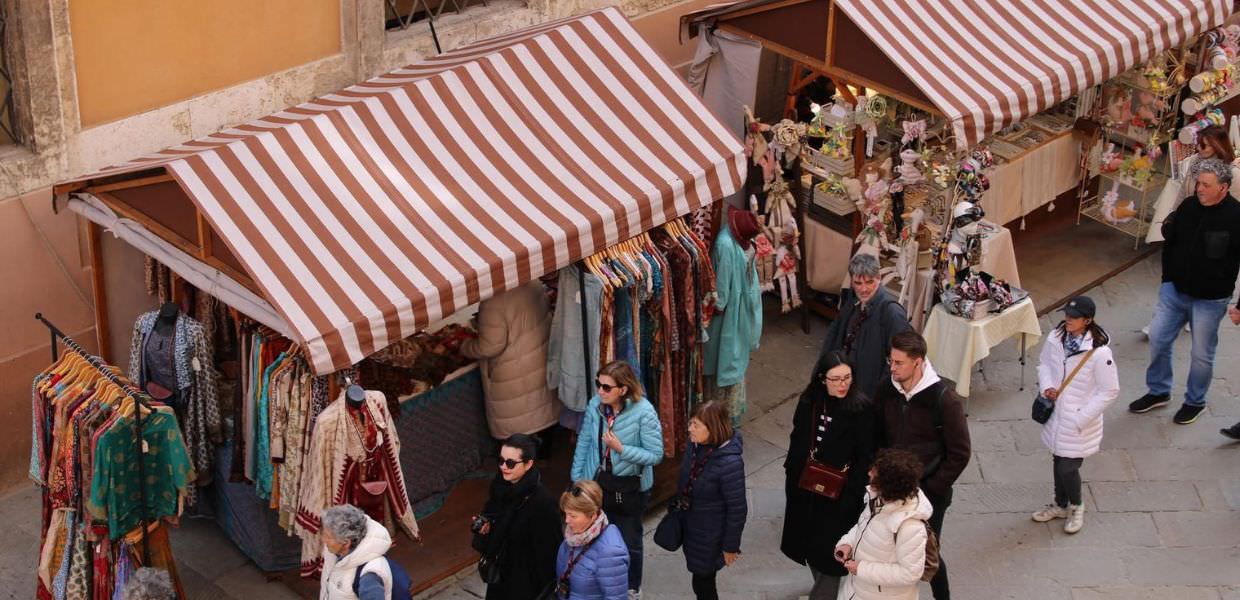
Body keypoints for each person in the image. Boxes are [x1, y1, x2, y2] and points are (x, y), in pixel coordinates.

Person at [1129, 158, 1240, 425]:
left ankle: (1195, 401)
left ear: (1223, 187)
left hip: (1210, 299)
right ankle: (1158, 391)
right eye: (1198, 183)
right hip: (1175, 291)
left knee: (1202, 355)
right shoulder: (1189, 206)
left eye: (1205, 184)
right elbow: (1172, 243)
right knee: (1158, 337)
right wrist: (1167, 280)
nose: (1199, 189)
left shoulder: (1237, 217)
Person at [876, 330, 970, 600]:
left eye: (898, 363)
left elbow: (960, 453)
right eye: (890, 361)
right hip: (890, 488)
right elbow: (877, 432)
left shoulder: (944, 400)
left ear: (917, 362)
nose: (892, 368)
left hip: (928, 495)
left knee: (927, 553)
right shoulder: (886, 388)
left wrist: (931, 488)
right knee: (890, 549)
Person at [781, 351, 877, 599]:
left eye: (847, 377)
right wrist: (793, 473)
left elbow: (866, 455)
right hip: (807, 490)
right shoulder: (809, 402)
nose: (842, 384)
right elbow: (798, 438)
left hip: (840, 496)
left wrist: (853, 493)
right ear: (823, 379)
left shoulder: (862, 409)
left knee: (831, 555)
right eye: (835, 379)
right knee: (811, 548)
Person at [571, 360, 663, 599]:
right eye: (598, 384)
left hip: (629, 488)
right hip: (598, 484)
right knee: (597, 535)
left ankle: (632, 586)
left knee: (629, 539)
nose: (600, 390)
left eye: (606, 387)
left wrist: (621, 448)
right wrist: (577, 479)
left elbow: (655, 455)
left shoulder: (644, 411)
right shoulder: (595, 406)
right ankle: (601, 582)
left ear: (623, 389)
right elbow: (585, 442)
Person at [1031, 296, 1120, 534]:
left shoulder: (1100, 354)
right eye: (1067, 315)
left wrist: (1081, 417)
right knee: (1058, 460)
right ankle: (1060, 504)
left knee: (1067, 468)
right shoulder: (1055, 338)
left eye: (1073, 317)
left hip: (1079, 421)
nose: (1067, 320)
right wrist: (1047, 387)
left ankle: (1077, 506)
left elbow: (1109, 391)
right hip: (1056, 414)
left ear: (1087, 320)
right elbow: (1045, 365)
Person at [461, 281, 560, 439]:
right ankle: (543, 453)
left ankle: (524, 459)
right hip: (540, 360)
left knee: (521, 427)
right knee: (542, 412)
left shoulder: (492, 304)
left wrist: (466, 346)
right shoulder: (533, 285)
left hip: (512, 373)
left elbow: (490, 346)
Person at [472, 434, 564, 599]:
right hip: (500, 574)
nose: (504, 467)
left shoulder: (543, 503)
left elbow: (549, 554)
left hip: (525, 583)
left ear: (528, 464)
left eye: (510, 463)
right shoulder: (500, 486)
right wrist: (486, 525)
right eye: (501, 460)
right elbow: (491, 511)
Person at [833, 448, 933, 600]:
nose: (869, 474)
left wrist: (862, 569)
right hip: (856, 589)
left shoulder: (910, 527)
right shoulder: (877, 499)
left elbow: (909, 574)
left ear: (887, 484)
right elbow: (864, 526)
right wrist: (847, 543)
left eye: (874, 473)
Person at [675, 401, 748, 600]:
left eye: (696, 425)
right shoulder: (695, 444)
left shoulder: (730, 463)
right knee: (700, 579)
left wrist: (730, 546)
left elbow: (737, 508)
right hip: (693, 526)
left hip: (710, 534)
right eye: (691, 422)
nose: (690, 429)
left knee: (703, 583)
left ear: (713, 428)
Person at [819, 253, 912, 399]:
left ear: (879, 278)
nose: (863, 289)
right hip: (844, 385)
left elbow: (901, 361)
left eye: (869, 282)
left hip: (868, 394)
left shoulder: (892, 313)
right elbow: (835, 334)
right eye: (858, 283)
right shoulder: (851, 300)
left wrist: (879, 395)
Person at [1147, 125, 1240, 244]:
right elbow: (1183, 191)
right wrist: (1174, 215)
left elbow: (1234, 211)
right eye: (1198, 143)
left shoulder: (1233, 173)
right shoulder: (1195, 161)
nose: (1198, 148)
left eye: (1203, 145)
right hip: (1188, 223)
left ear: (1217, 146)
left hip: (1212, 233)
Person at [555, 480, 630, 600]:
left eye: (573, 515)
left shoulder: (611, 553)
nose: (567, 520)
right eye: (565, 514)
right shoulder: (574, 535)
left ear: (593, 515)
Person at [320, 504, 413, 600]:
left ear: (346, 543)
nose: (323, 539)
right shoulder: (333, 553)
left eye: (328, 537)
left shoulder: (370, 577)